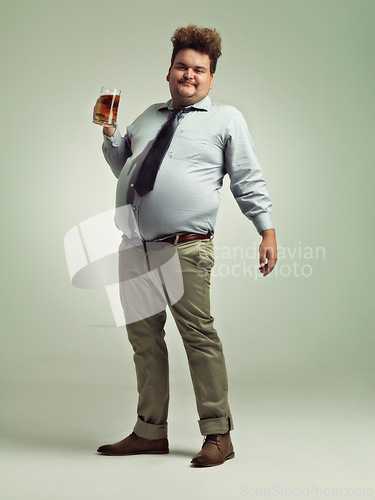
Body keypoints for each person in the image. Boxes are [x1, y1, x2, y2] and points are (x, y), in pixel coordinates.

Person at [94, 25, 277, 467]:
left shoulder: (226, 119)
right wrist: (111, 135)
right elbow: (126, 166)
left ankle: (219, 436)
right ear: (169, 70)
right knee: (145, 343)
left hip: (186, 248)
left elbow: (247, 179)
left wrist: (265, 229)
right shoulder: (149, 115)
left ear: (211, 77)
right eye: (182, 66)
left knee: (199, 338)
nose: (188, 75)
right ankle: (149, 432)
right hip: (135, 246)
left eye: (199, 69)